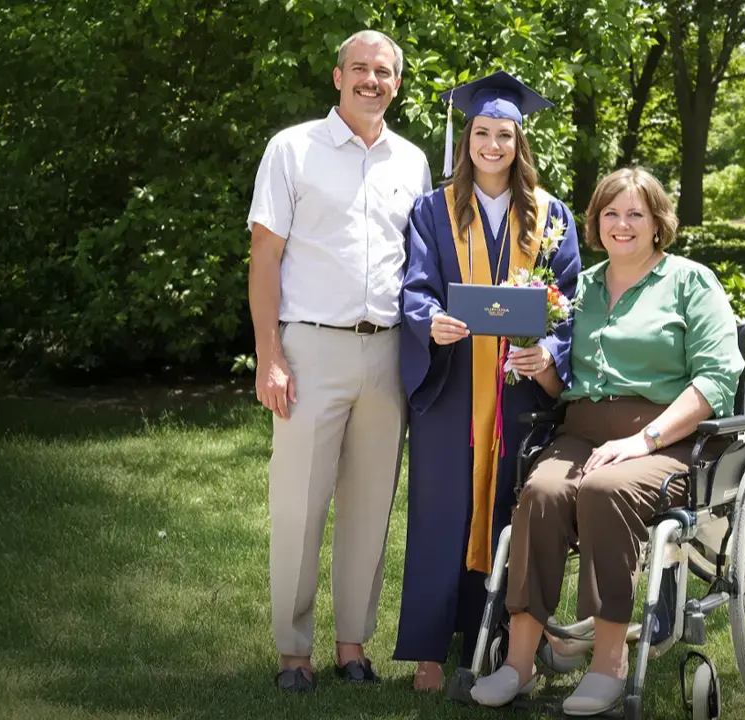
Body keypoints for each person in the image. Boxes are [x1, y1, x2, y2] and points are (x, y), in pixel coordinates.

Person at [469, 167, 745, 716]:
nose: (622, 224)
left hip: (665, 437)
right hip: (583, 429)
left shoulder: (690, 281)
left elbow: (716, 380)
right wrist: (540, 365)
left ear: (657, 222)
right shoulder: (582, 288)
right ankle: (518, 662)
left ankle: (609, 661)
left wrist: (645, 439)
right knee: (542, 493)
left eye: (635, 214)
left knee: (605, 490)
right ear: (595, 221)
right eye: (610, 213)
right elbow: (565, 380)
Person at [246, 29, 431, 693]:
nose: (371, 81)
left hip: (387, 353)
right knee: (299, 504)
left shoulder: (411, 163)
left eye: (383, 72)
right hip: (310, 347)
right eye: (360, 69)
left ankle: (353, 644)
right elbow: (264, 258)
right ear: (337, 76)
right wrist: (270, 357)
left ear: (397, 84)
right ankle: (294, 653)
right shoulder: (292, 149)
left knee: (370, 505)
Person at [393, 71, 582, 692]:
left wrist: (549, 350)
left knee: (510, 513)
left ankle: (499, 637)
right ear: (466, 137)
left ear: (520, 140)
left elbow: (571, 301)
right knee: (439, 513)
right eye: (481, 132)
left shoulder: (549, 214)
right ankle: (427, 649)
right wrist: (431, 322)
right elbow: (415, 288)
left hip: (518, 394)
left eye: (505, 134)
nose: (492, 145)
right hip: (451, 390)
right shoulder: (434, 208)